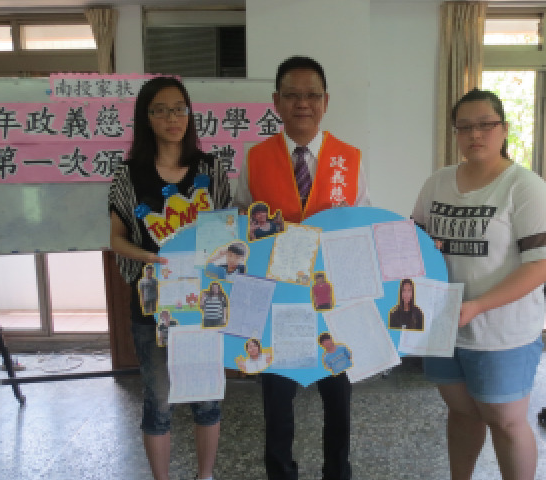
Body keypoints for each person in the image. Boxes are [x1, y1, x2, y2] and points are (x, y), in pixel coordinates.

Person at [411, 89, 546, 480]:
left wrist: (478, 306)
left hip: (501, 332)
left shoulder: (524, 187)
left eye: (485, 125)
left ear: (504, 129)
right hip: (443, 324)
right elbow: (413, 242)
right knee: (461, 412)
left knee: (506, 421)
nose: (475, 135)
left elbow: (545, 264)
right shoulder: (437, 183)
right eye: (464, 127)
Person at [233, 55, 370, 480]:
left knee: (338, 397)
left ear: (326, 101)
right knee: (277, 400)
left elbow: (361, 225)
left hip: (333, 300)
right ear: (276, 101)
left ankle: (337, 473)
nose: (303, 104)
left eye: (312, 95)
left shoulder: (350, 158)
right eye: (292, 95)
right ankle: (281, 473)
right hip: (277, 301)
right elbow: (241, 221)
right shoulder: (255, 158)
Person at [108, 76, 231, 480]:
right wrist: (149, 257)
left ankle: (205, 476)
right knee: (158, 400)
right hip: (152, 305)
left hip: (204, 304)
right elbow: (116, 239)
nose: (172, 118)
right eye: (160, 110)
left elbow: (227, 230)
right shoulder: (129, 175)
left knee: (207, 398)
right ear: (147, 117)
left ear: (189, 114)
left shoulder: (210, 169)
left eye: (179, 108)